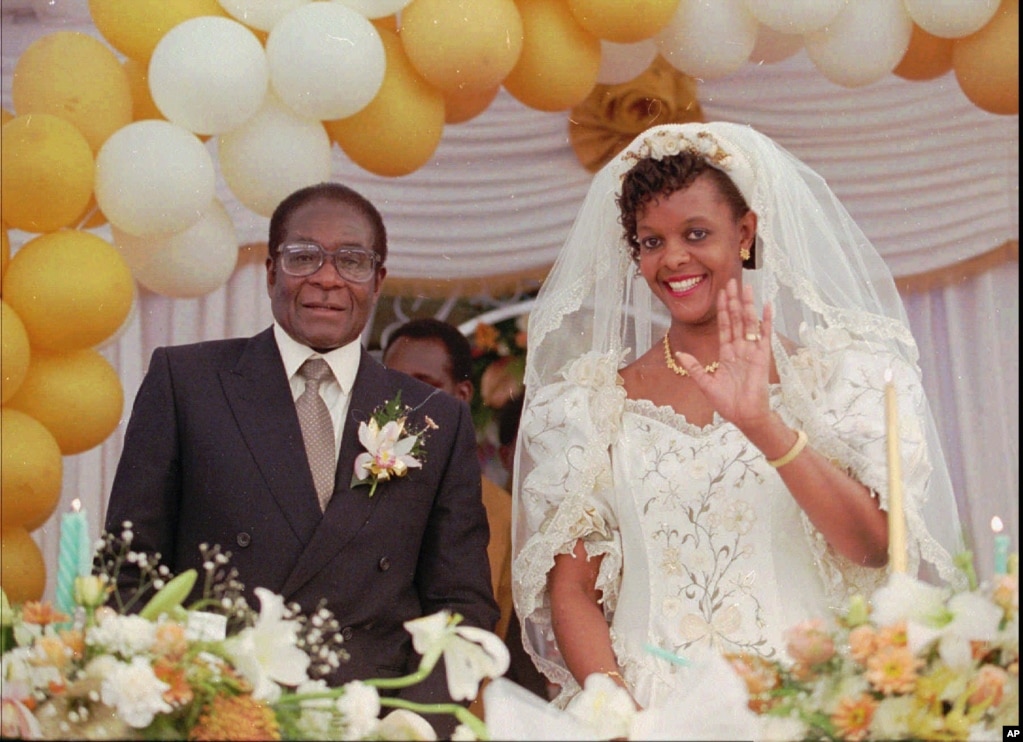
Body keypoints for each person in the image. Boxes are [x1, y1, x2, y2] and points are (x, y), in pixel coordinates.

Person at [510, 122, 965, 711]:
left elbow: (876, 547)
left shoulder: (829, 380)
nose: (673, 259)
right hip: (649, 711)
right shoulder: (593, 403)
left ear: (745, 232)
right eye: (651, 241)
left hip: (801, 703)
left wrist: (762, 424)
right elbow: (572, 589)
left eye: (696, 233)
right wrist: (617, 712)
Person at [104, 182, 499, 737]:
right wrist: (179, 699)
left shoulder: (434, 416)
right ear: (270, 271)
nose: (327, 278)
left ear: (378, 279)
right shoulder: (186, 381)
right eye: (303, 256)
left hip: (368, 720)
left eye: (352, 261)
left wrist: (409, 722)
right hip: (217, 711)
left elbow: (462, 603)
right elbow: (128, 568)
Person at [381, 319, 549, 705]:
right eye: (391, 382)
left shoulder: (500, 513)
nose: (401, 400)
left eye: (422, 384)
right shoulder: (355, 480)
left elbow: (501, 644)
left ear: (462, 394)